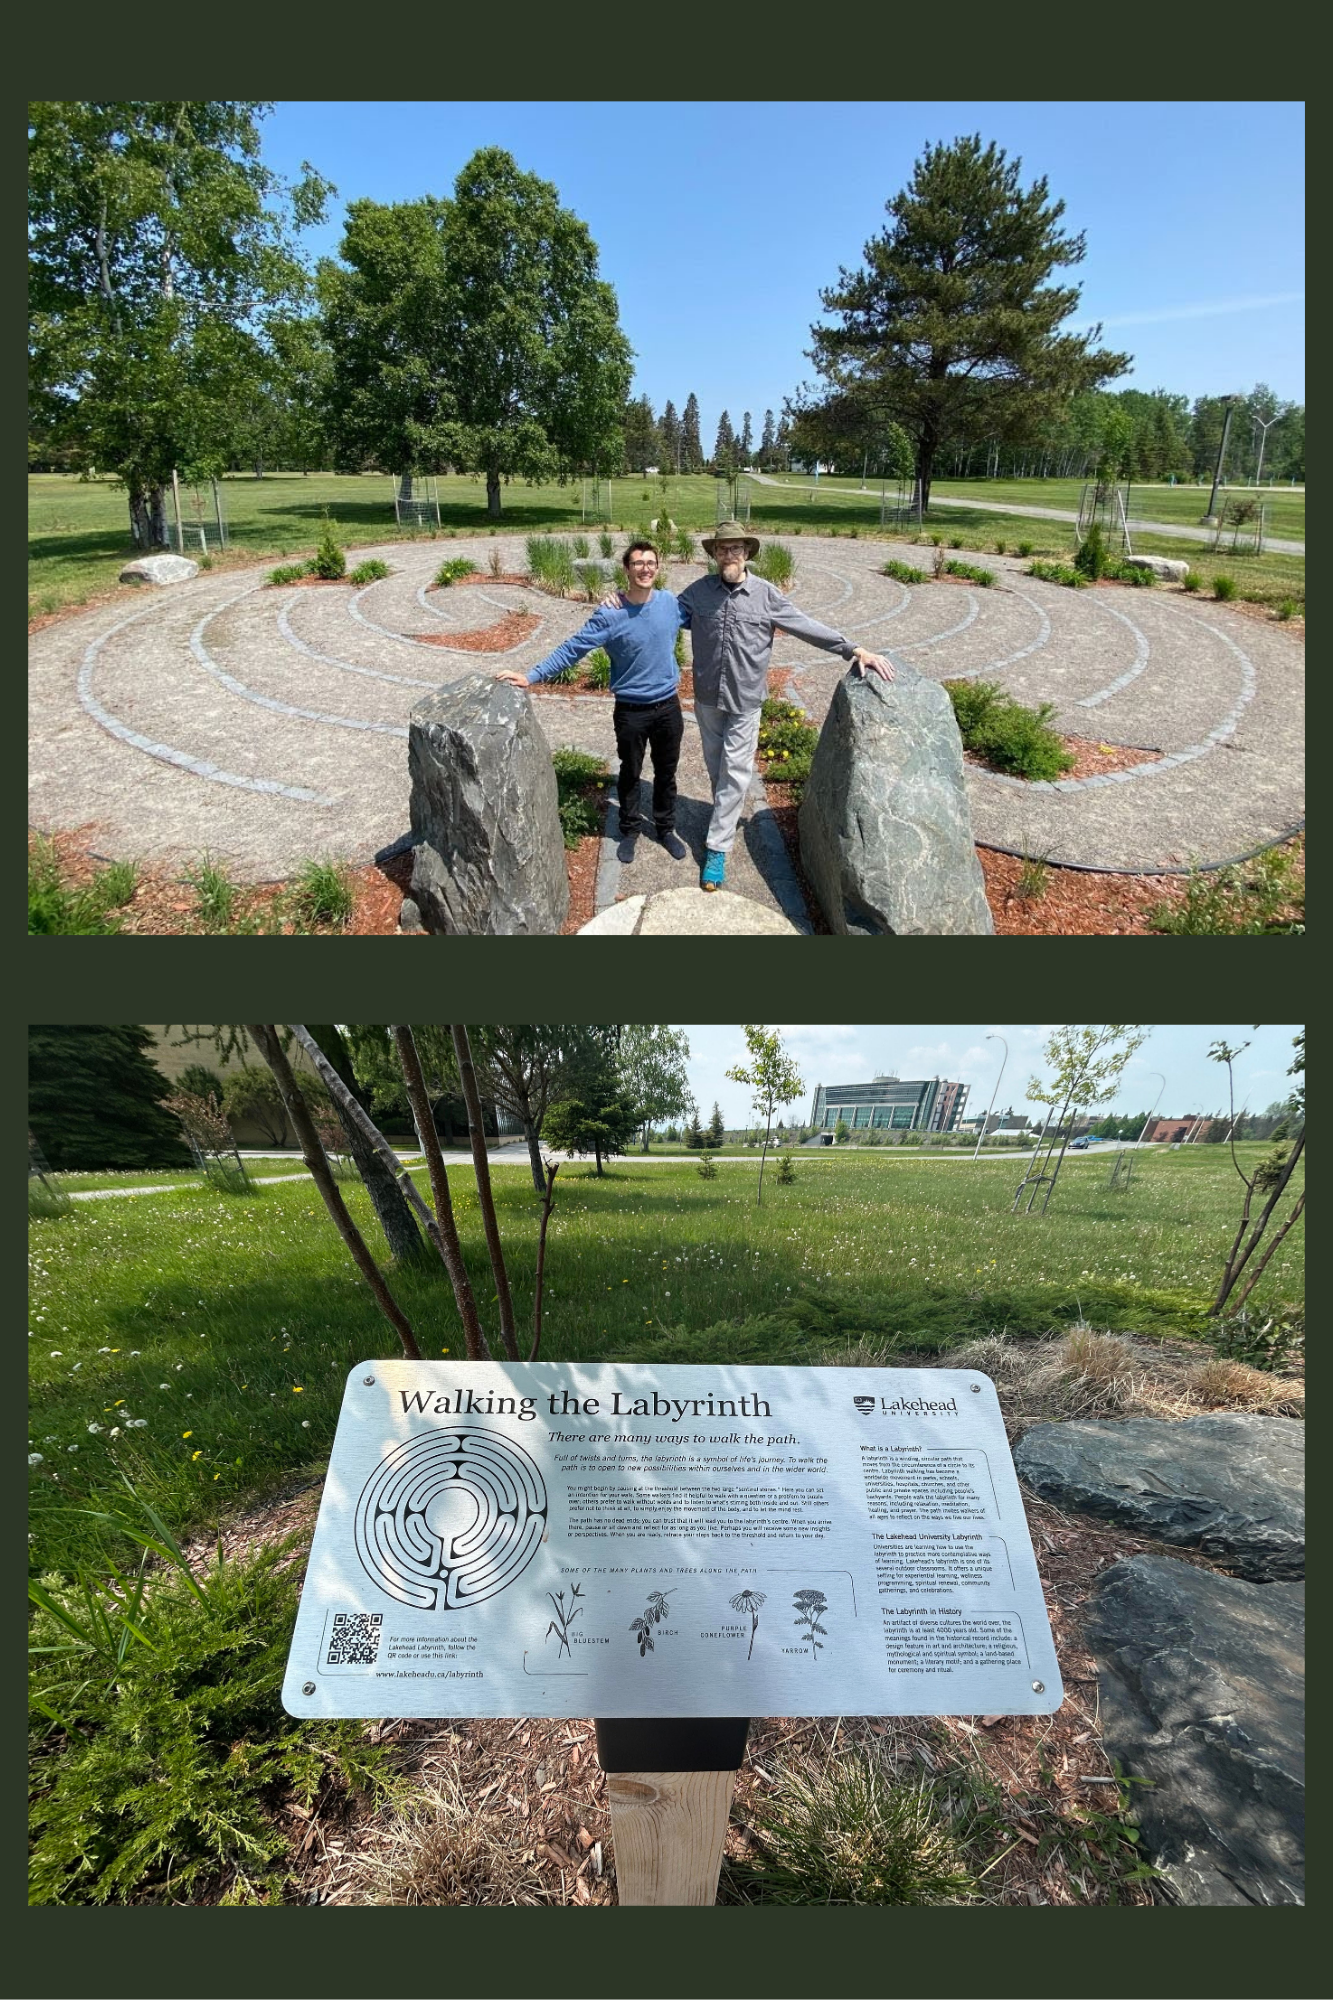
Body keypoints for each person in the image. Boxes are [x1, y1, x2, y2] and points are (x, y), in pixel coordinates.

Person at [611, 520, 896, 890]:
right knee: (718, 771)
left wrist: (852, 649)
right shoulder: (698, 594)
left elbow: (805, 625)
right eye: (722, 549)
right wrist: (620, 600)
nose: (729, 554)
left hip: (746, 701)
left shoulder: (766, 595)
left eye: (736, 548)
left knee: (736, 772)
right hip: (708, 700)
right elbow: (657, 611)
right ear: (714, 554)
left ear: (747, 553)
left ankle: (716, 848)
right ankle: (724, 817)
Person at [498, 540, 687, 862]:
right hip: (631, 710)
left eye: (650, 563)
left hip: (668, 706)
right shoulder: (610, 613)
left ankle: (665, 828)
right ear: (626, 569)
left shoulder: (670, 603)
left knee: (666, 772)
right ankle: (629, 830)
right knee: (631, 770)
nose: (645, 568)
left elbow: (711, 614)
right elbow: (574, 648)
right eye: (638, 563)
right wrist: (532, 676)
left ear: (658, 567)